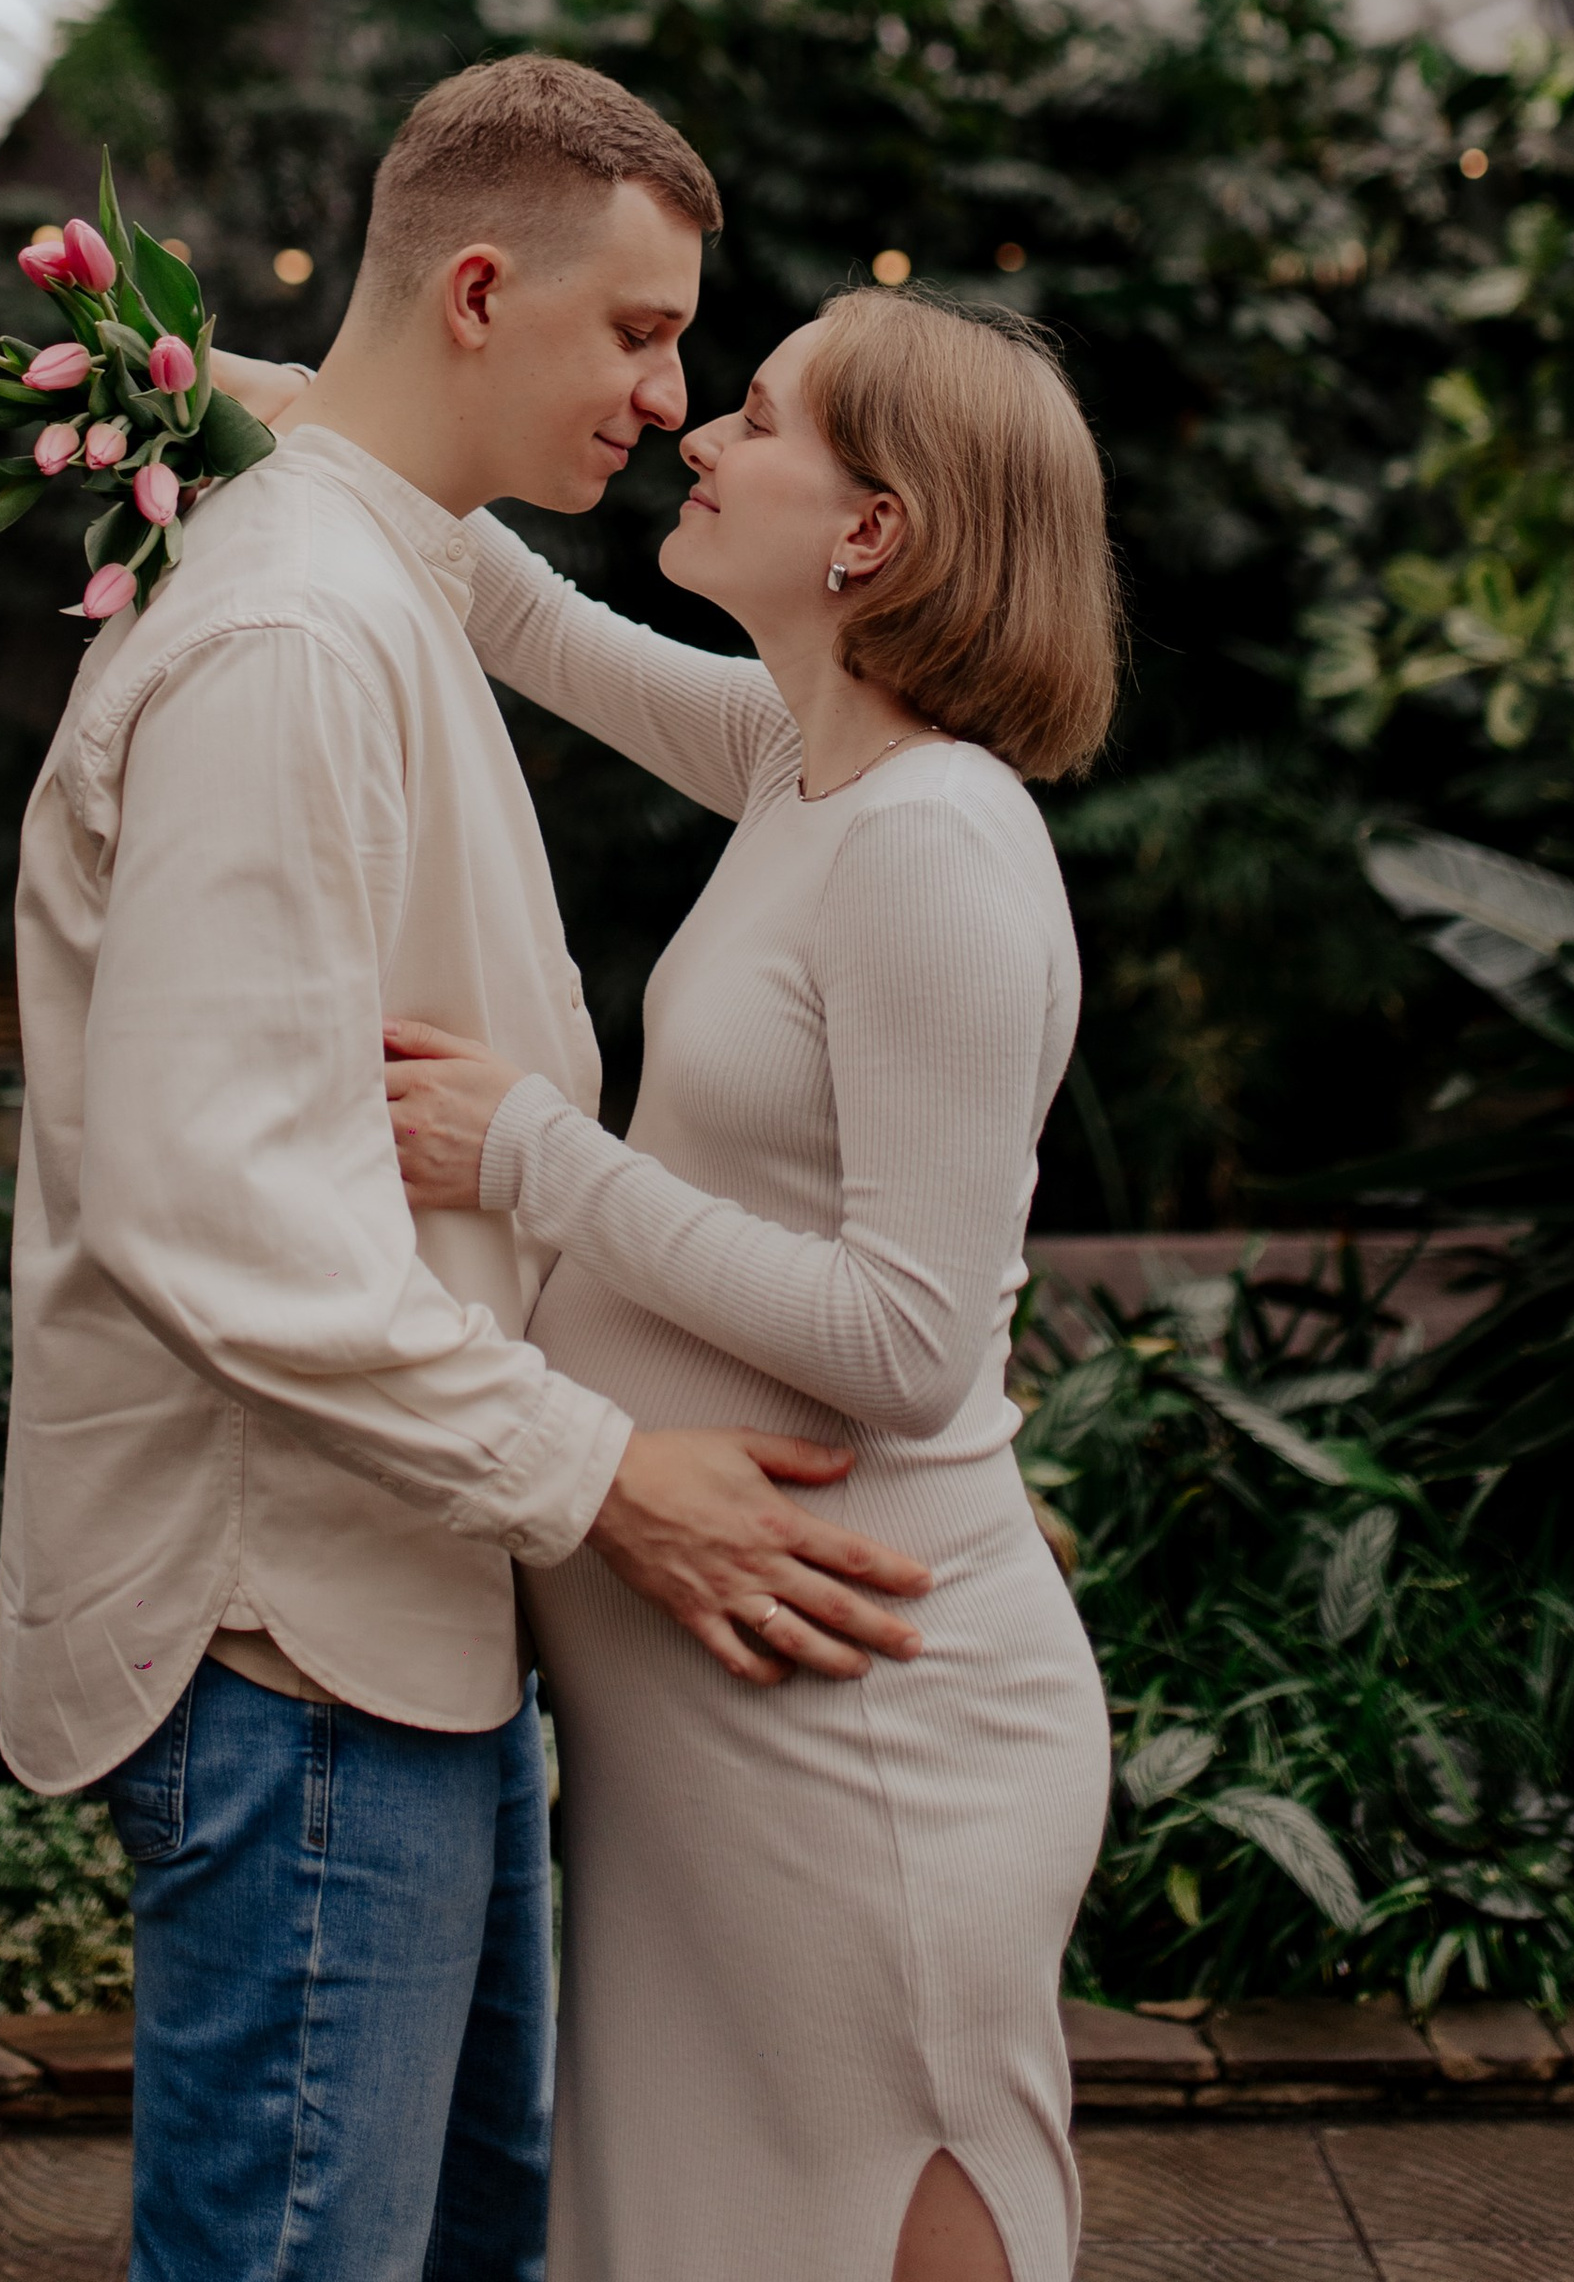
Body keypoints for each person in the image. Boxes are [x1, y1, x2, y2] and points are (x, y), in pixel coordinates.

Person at [0, 57, 932, 2282]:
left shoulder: (381, 578)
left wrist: (270, 406)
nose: (671, 392)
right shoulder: (294, 636)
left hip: (403, 1612)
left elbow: (617, 662)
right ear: (486, 290)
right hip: (294, 1635)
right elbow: (207, 1198)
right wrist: (602, 1474)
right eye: (639, 333)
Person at [381, 283, 1123, 2282]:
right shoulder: (802, 766)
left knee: (882, 2202)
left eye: (765, 418)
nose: (698, 432)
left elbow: (899, 1341)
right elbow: (520, 615)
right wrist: (229, 397)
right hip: (722, 1721)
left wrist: (538, 1159)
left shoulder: (935, 852)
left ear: (867, 529)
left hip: (866, 1719)